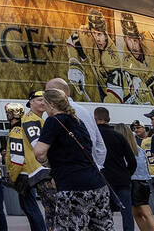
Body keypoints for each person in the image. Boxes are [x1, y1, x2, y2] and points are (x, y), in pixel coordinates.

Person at [32, 87, 113, 231]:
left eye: (45, 104)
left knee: (69, 226)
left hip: (72, 184)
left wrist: (51, 164)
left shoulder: (53, 121)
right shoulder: (78, 121)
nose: (44, 108)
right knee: (103, 227)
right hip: (97, 184)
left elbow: (39, 152)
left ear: (52, 104)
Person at [46, 78, 107, 169]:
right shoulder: (86, 112)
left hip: (69, 173)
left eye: (47, 93)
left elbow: (44, 149)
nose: (44, 97)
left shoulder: (54, 115)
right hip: (92, 172)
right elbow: (101, 147)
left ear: (56, 93)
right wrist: (96, 166)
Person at [94, 108, 137, 231]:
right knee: (126, 211)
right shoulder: (119, 136)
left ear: (95, 118)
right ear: (109, 119)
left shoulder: (93, 135)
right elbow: (132, 160)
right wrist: (127, 174)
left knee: (104, 211)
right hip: (122, 179)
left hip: (102, 179)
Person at [23, 91, 59, 227]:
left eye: (44, 100)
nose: (43, 102)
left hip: (41, 171)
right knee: (59, 209)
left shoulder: (39, 119)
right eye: (39, 100)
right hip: (43, 171)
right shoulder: (31, 120)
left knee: (51, 213)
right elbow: (38, 147)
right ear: (30, 102)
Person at [120, 123, 154, 231]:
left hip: (133, 181)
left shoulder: (124, 149)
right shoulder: (138, 149)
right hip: (144, 181)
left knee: (143, 212)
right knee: (143, 212)